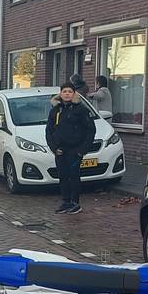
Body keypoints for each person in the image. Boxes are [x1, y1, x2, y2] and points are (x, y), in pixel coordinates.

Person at [45, 82, 95, 214]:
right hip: (60, 150)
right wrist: (54, 148)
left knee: (74, 175)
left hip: (75, 150)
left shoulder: (81, 110)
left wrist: (81, 150)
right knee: (62, 175)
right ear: (60, 94)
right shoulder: (55, 110)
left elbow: (90, 131)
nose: (67, 94)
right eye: (64, 91)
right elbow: (49, 131)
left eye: (69, 92)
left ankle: (75, 202)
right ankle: (66, 201)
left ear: (74, 94)